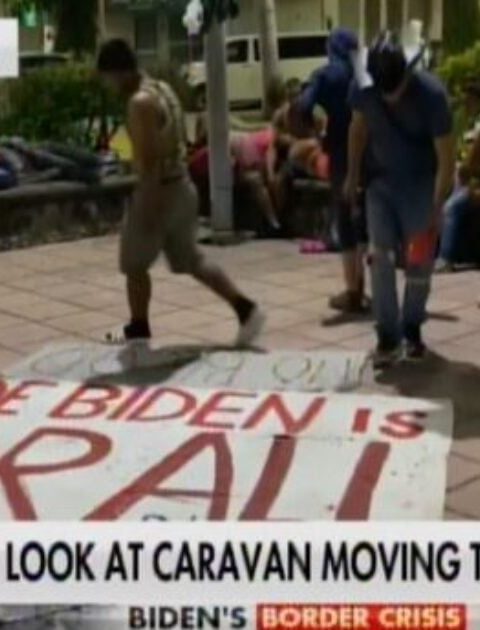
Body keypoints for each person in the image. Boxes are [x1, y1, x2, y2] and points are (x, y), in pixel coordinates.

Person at [97, 39, 265, 345]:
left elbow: (149, 160)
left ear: (117, 72)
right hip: (181, 186)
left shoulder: (139, 102)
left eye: (107, 78)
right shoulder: (162, 89)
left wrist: (148, 207)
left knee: (134, 263)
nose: (108, 86)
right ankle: (246, 309)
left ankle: (138, 327)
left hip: (158, 190)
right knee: (191, 260)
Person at [345, 31, 455, 368]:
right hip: (380, 183)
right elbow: (358, 129)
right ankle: (388, 335)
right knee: (381, 256)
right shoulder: (363, 85)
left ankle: (412, 328)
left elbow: (447, 160)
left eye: (396, 90)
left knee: (419, 260)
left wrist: (436, 208)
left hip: (421, 185)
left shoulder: (432, 95)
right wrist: (352, 175)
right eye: (384, 92)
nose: (390, 99)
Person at [299, 28, 368, 314]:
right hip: (372, 152)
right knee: (367, 219)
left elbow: (304, 106)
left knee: (345, 219)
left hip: (341, 152)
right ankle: (367, 285)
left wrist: (316, 132)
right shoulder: (365, 73)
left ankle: (353, 291)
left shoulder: (325, 75)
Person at [436, 82, 480, 272]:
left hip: (474, 184)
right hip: (464, 181)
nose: (465, 103)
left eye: (469, 99)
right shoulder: (468, 123)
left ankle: (446, 259)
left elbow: (470, 162)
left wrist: (464, 173)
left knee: (451, 207)